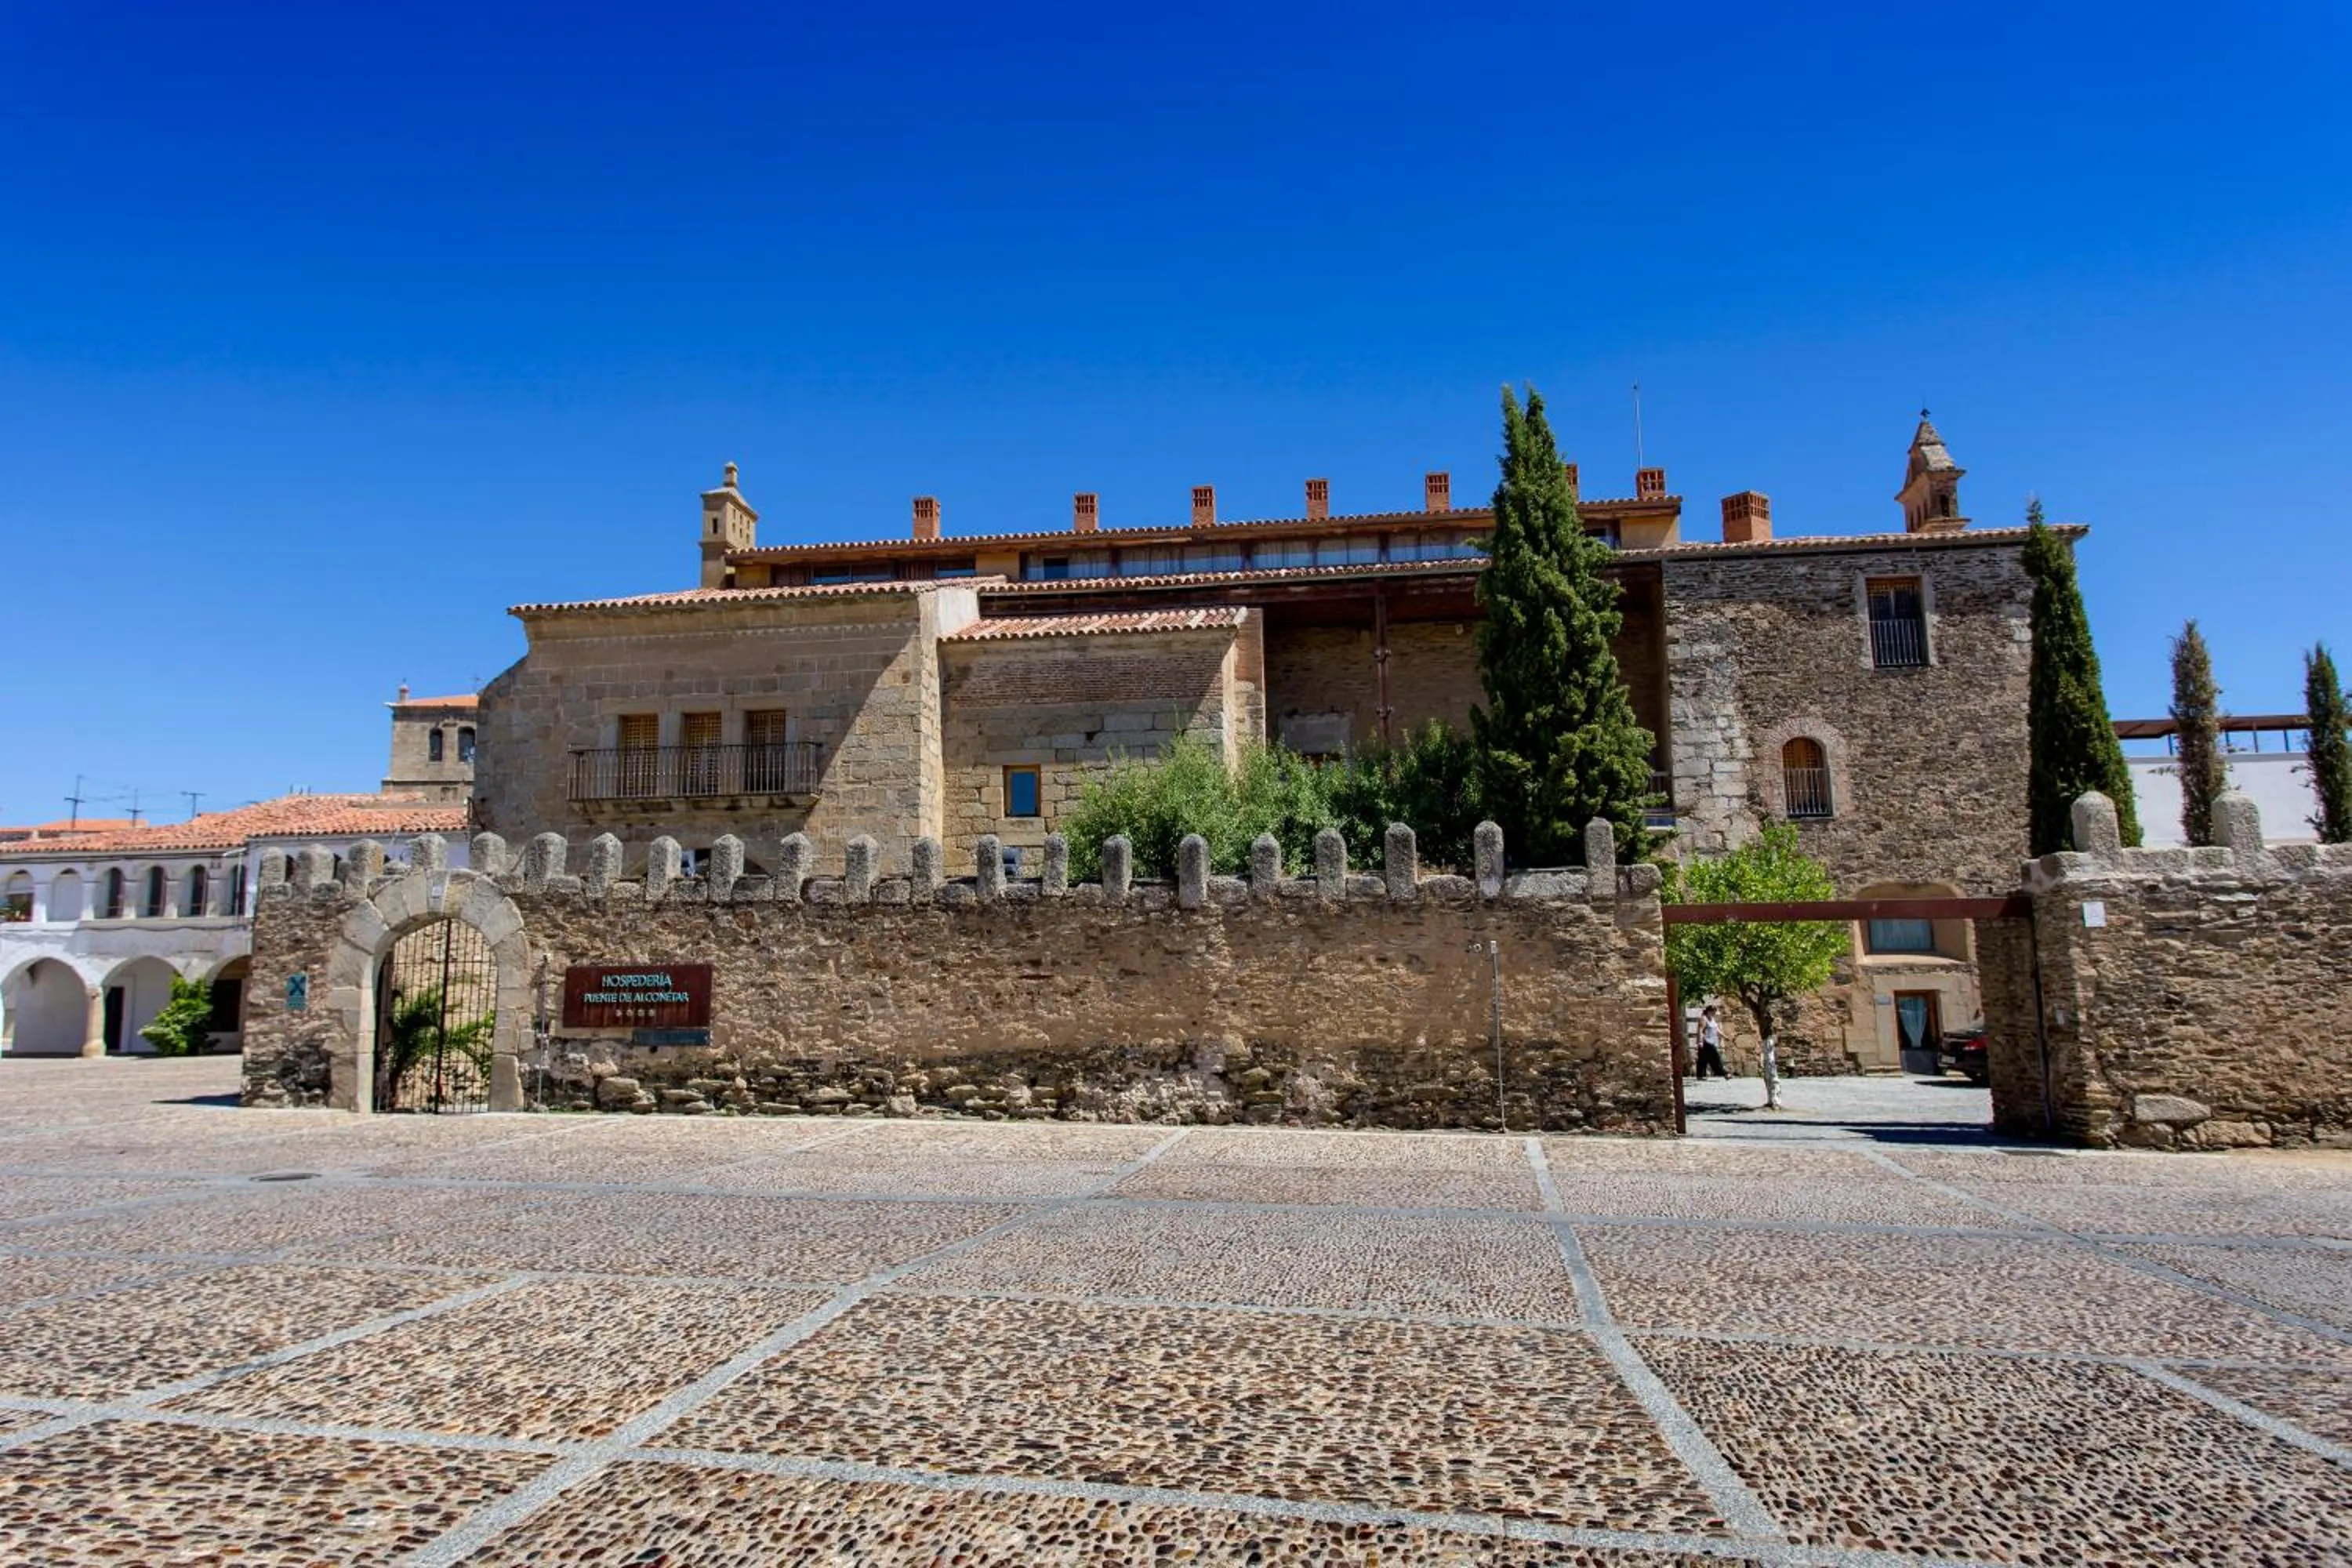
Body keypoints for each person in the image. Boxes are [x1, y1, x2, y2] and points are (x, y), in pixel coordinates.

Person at [1694, 1005, 1730, 1080]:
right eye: (1713, 1012)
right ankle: (1725, 1073)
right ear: (1708, 1011)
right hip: (1706, 1042)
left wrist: (1724, 1036)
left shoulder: (1712, 1019)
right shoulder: (1703, 1019)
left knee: (1703, 1059)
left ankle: (1700, 1075)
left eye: (1715, 1012)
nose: (1714, 1013)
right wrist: (1700, 1042)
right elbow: (1701, 1031)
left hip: (1712, 1042)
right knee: (1716, 1057)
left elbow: (1717, 1030)